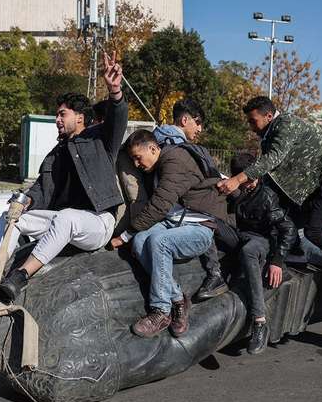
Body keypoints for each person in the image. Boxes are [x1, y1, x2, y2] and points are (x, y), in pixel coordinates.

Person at [217, 96, 322, 306]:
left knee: (314, 232)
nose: (251, 127)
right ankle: (282, 262)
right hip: (317, 186)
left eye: (253, 121)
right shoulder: (269, 135)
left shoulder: (286, 124)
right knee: (288, 225)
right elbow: (274, 174)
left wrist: (238, 179)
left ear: (268, 115)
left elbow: (273, 158)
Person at [0, 52, 127, 304]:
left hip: (98, 223)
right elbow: (41, 190)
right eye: (57, 115)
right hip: (63, 223)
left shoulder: (101, 138)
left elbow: (118, 117)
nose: (57, 119)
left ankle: (21, 276)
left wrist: (115, 91)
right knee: (11, 218)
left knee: (67, 218)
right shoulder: (56, 154)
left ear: (79, 117)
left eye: (61, 114)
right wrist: (25, 202)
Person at [113, 129, 231, 338]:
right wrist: (132, 237)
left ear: (153, 148)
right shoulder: (159, 165)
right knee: (140, 241)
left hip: (200, 227)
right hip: (174, 222)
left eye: (138, 158)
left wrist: (124, 235)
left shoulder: (175, 159)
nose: (137, 164)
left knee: (159, 242)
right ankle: (178, 299)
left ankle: (161, 311)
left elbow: (159, 206)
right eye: (133, 160)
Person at [150, 98, 231, 300]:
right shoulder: (180, 149)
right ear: (185, 120)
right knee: (204, 213)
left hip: (168, 211)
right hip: (180, 210)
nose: (200, 128)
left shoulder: (155, 140)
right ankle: (213, 276)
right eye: (198, 121)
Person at [228, 154, 297, 354]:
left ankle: (259, 322)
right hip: (239, 235)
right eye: (243, 180)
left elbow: (288, 229)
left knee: (249, 250)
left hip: (261, 240)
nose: (247, 184)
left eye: (250, 179)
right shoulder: (235, 191)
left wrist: (277, 260)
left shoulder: (267, 195)